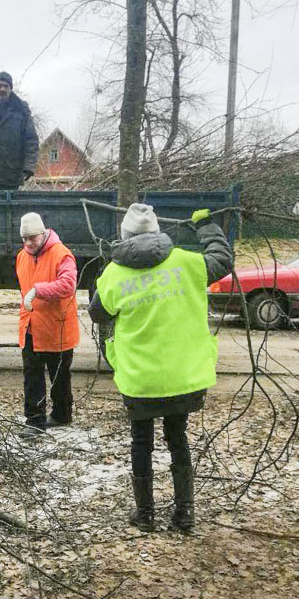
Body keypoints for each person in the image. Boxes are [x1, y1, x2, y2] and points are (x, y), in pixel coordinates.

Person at [89, 204, 233, 532]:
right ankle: (184, 515)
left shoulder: (113, 275)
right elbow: (222, 259)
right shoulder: (186, 262)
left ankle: (145, 515)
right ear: (157, 233)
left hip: (140, 379)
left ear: (124, 237)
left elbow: (99, 313)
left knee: (141, 441)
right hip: (184, 377)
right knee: (177, 438)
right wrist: (205, 224)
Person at [16, 211, 80, 439]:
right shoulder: (22, 256)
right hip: (31, 327)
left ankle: (62, 415)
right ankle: (34, 421)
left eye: (32, 237)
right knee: (32, 376)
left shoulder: (62, 255)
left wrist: (38, 290)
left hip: (57, 328)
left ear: (43, 234)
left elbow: (68, 285)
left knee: (59, 375)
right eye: (24, 238)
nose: (28, 243)